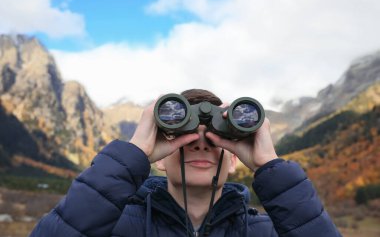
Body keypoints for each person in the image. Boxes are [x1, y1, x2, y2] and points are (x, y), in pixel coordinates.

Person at [29, 89, 342, 237]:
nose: (202, 142)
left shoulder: (265, 232)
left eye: (218, 138)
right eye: (185, 136)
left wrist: (268, 165)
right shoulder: (113, 227)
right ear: (160, 159)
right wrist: (134, 152)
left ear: (234, 159)